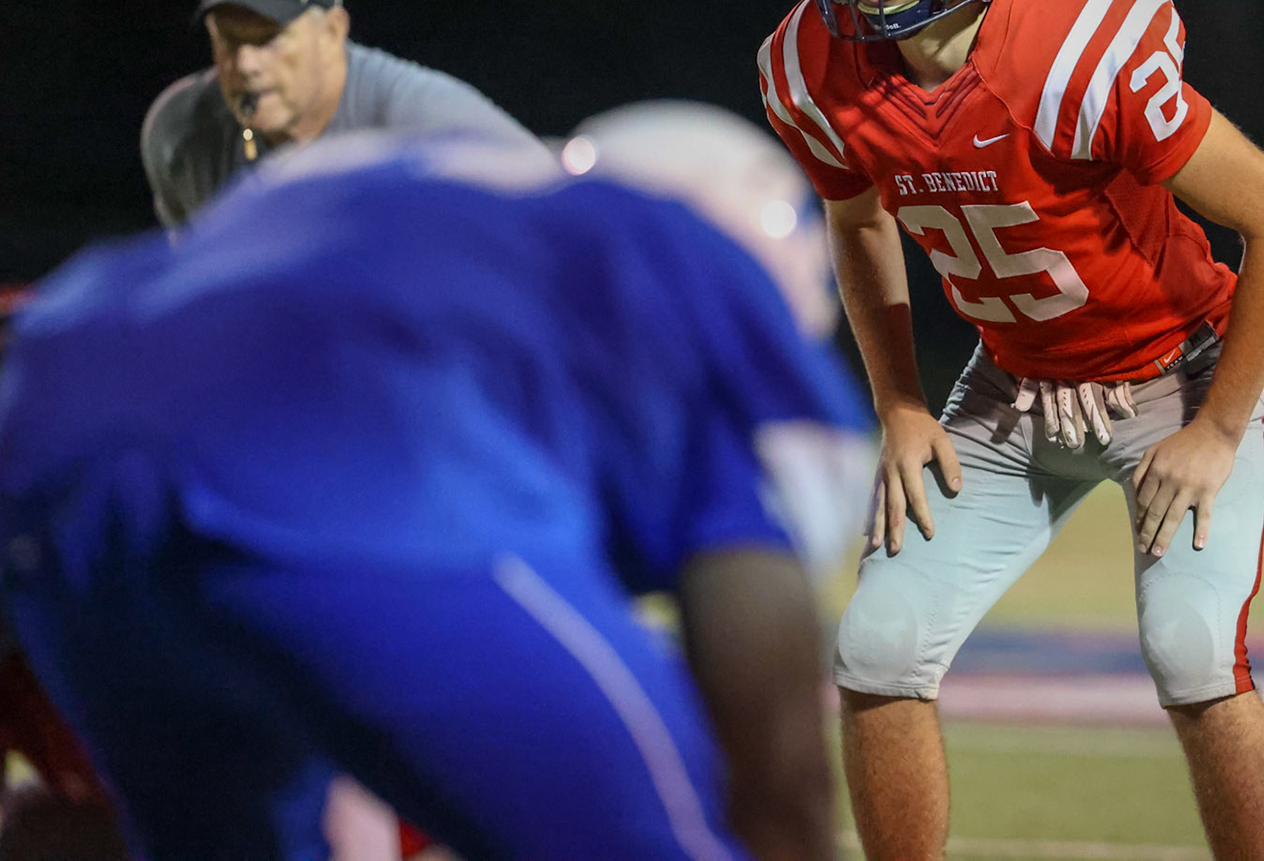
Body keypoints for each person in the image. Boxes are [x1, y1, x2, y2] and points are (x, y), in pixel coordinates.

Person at [0, 108, 871, 861]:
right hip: (337, 463)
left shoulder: (380, 187)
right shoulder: (691, 263)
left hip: (53, 430)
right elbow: (777, 756)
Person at [759, 0, 1264, 860]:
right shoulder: (812, 68)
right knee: (878, 644)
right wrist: (901, 404)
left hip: (1174, 376)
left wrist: (1216, 426)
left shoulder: (1074, 48)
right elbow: (858, 219)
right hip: (1009, 385)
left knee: (1194, 651)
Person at [141, 0, 540, 228]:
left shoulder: (419, 120)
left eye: (269, 38)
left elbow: (559, 202)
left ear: (332, 32)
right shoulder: (181, 137)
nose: (246, 64)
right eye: (229, 40)